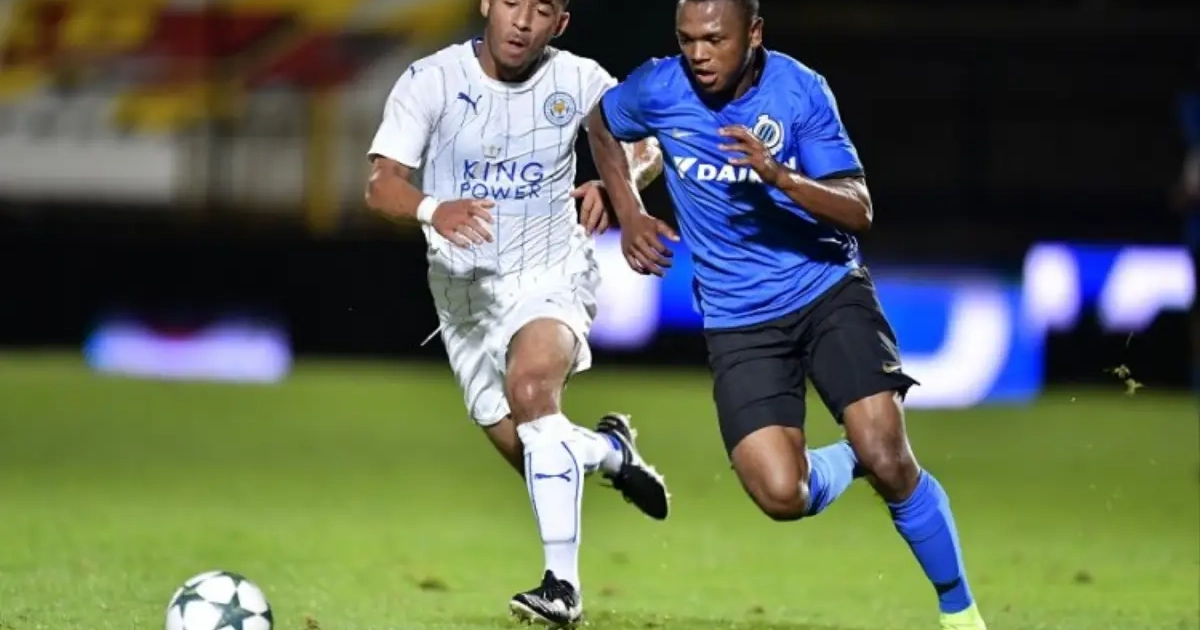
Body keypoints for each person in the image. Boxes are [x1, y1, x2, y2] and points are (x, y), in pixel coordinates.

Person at [584, 0, 986, 628]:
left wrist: (781, 177)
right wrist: (629, 208)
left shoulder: (799, 91)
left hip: (826, 290)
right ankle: (855, 455)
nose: (698, 54)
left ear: (754, 33)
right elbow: (602, 123)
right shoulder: (659, 86)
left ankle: (960, 611)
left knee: (890, 456)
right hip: (738, 321)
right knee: (780, 494)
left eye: (714, 39)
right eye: (686, 40)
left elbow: (858, 207)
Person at [363, 0, 670, 625]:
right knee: (535, 451)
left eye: (541, 10)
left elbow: (646, 146)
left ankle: (562, 589)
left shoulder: (579, 79)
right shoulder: (432, 80)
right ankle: (611, 451)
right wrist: (433, 210)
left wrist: (617, 184)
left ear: (560, 23)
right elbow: (381, 184)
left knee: (531, 389)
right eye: (511, 3)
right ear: (486, 4)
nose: (522, 20)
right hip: (464, 296)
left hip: (550, 272)